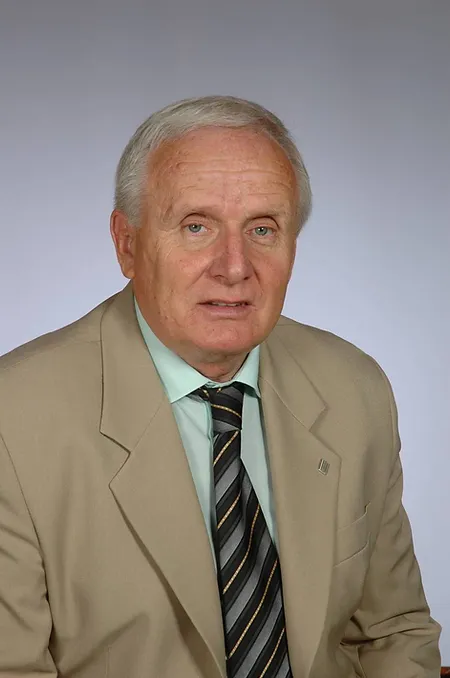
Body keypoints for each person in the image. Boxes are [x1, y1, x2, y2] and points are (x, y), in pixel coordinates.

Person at [0, 95, 441, 678]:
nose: (234, 266)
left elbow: (393, 634)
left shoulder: (354, 388)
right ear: (127, 243)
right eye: (196, 226)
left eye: (262, 228)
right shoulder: (15, 418)